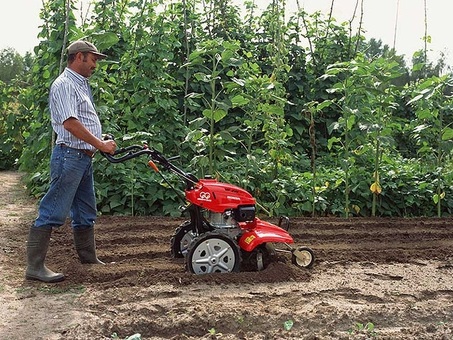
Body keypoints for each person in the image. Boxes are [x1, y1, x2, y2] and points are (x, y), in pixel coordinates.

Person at [25, 40, 117, 283]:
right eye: (93, 59)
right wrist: (100, 144)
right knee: (53, 210)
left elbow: (82, 120)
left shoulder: (81, 84)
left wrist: (99, 139)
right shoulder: (64, 84)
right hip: (70, 156)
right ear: (79, 57)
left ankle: (88, 259)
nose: (96, 64)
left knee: (86, 212)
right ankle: (35, 268)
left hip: (82, 158)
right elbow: (70, 123)